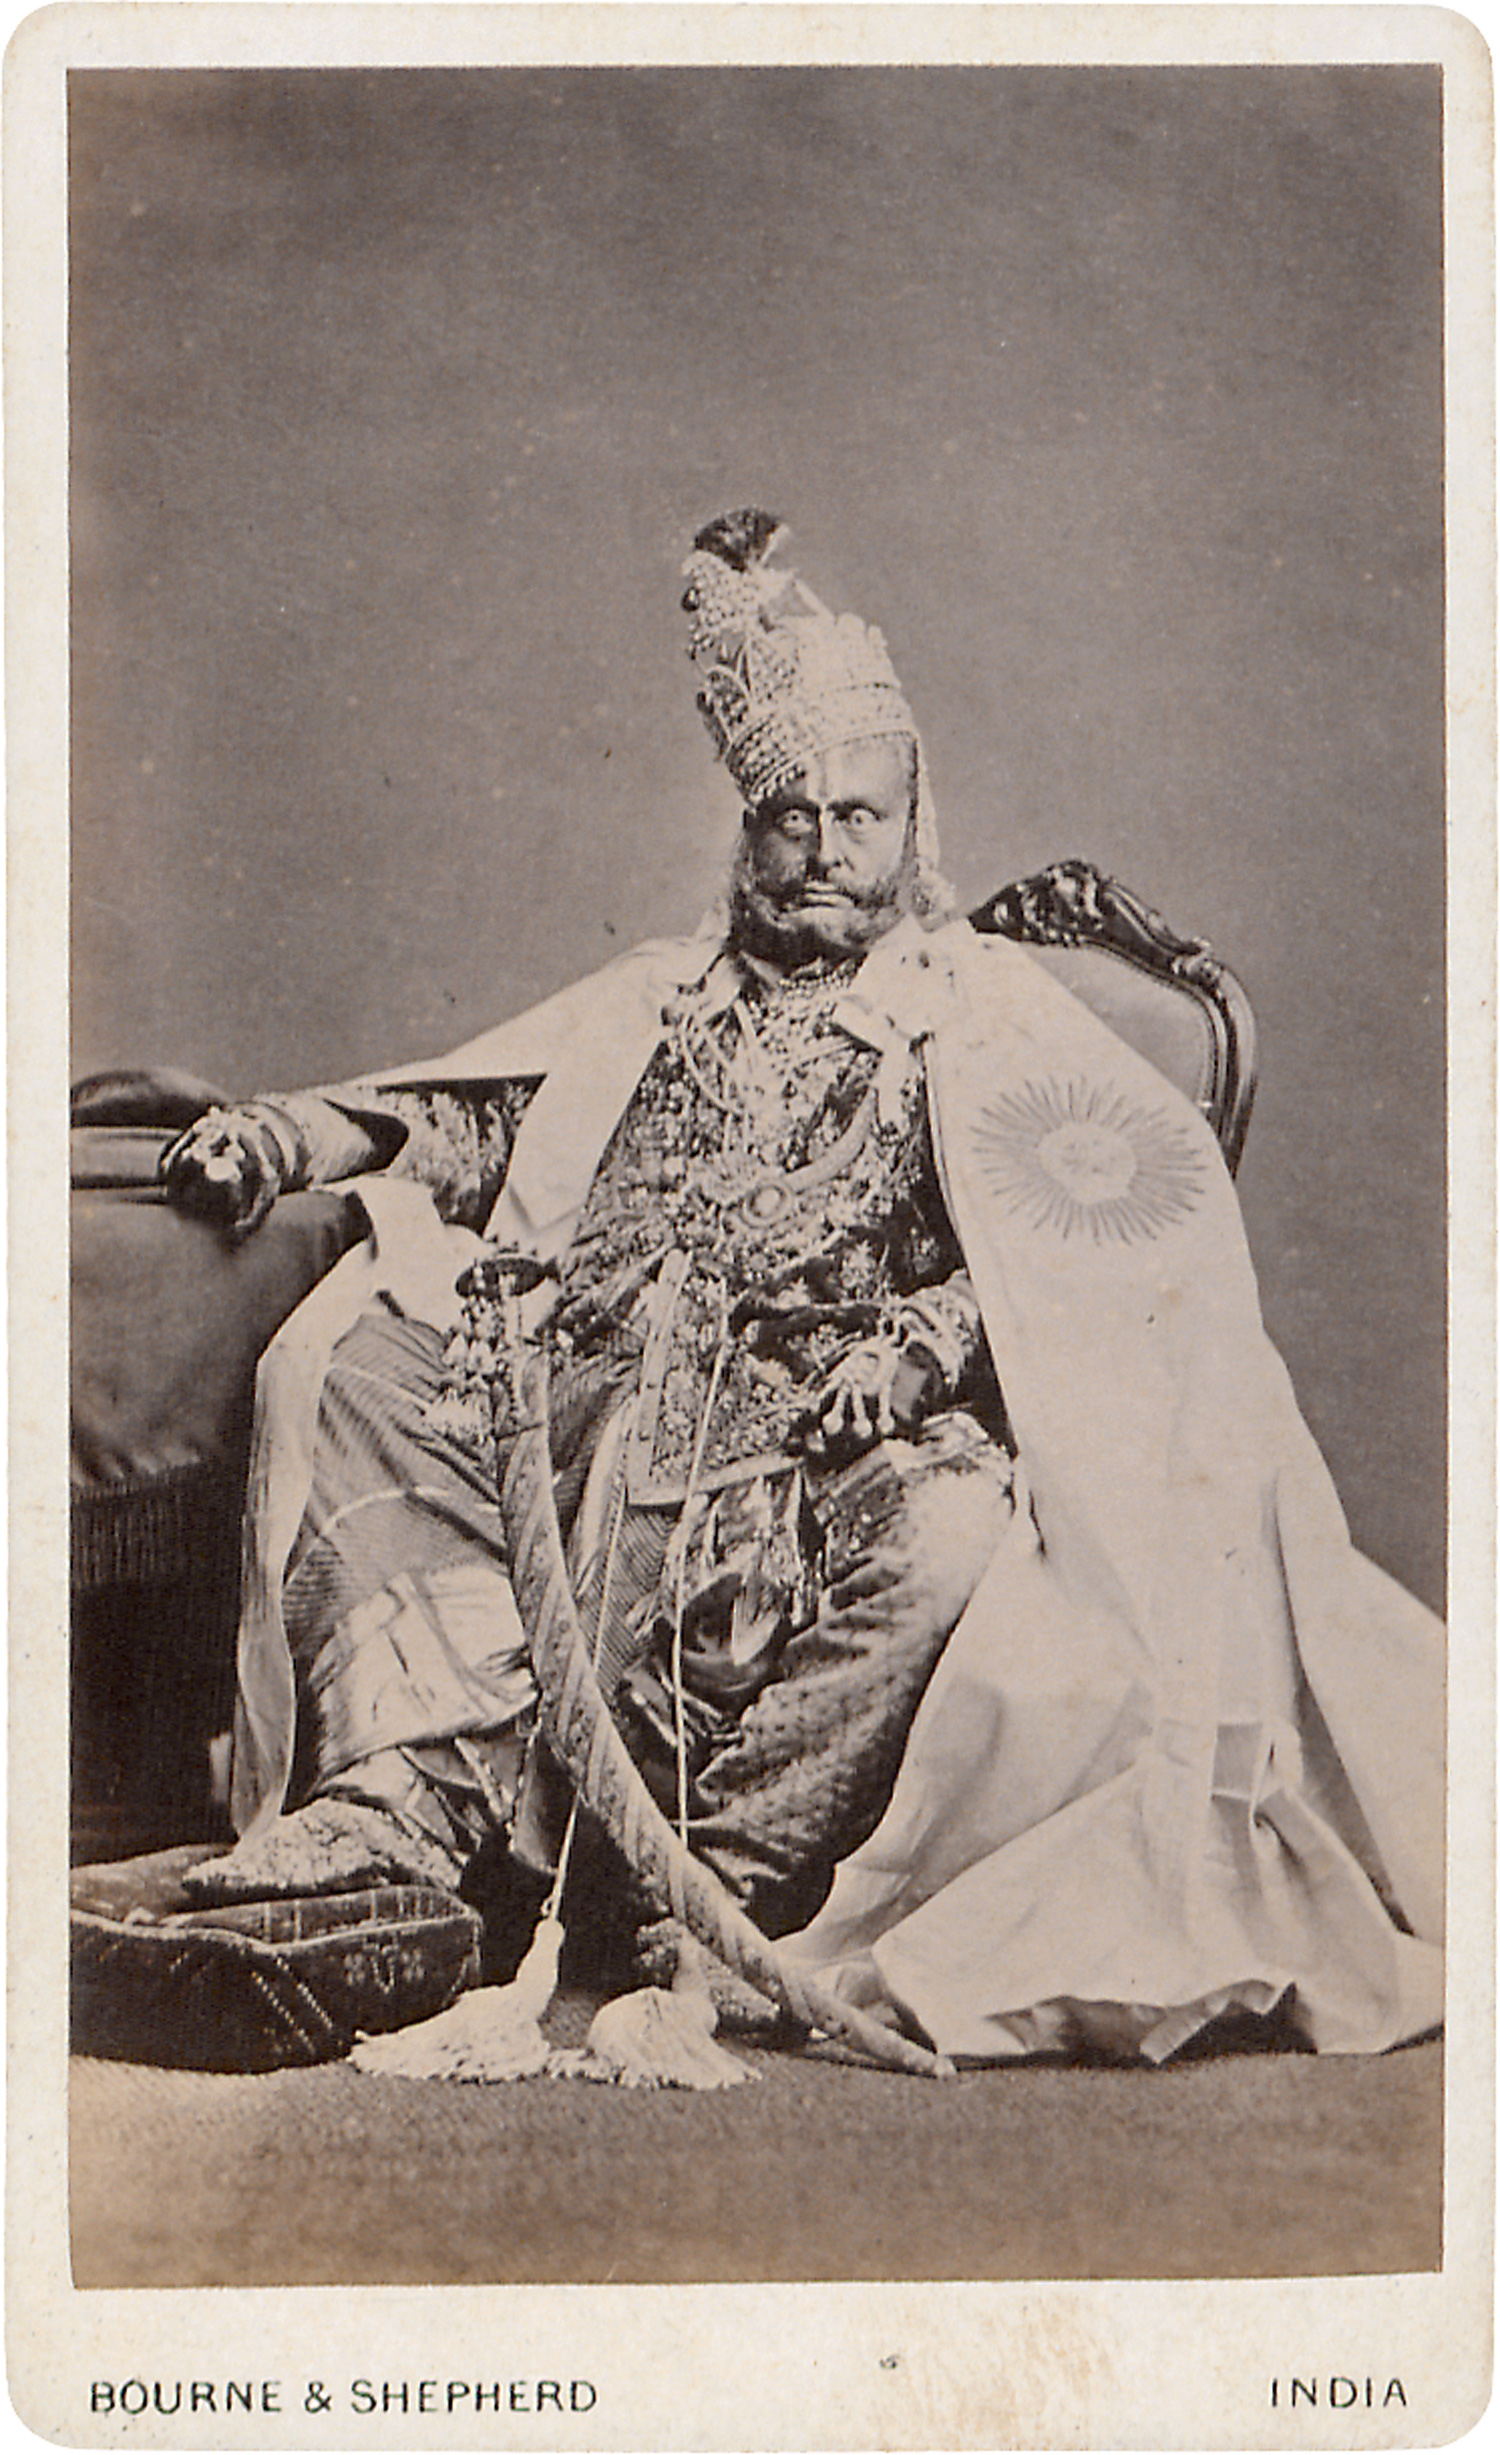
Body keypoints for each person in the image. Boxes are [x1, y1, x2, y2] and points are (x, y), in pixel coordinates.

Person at [162, 508, 1444, 2064]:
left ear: (911, 824)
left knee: (952, 1532)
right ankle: (405, 1810)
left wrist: (917, 1350)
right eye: (790, 815)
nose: (826, 848)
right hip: (594, 1383)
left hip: (822, 1427)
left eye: (858, 814)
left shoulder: (973, 1012)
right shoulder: (660, 995)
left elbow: (1084, 1252)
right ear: (746, 833)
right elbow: (491, 1122)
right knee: (362, 1363)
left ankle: (704, 1888)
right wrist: (291, 1136)